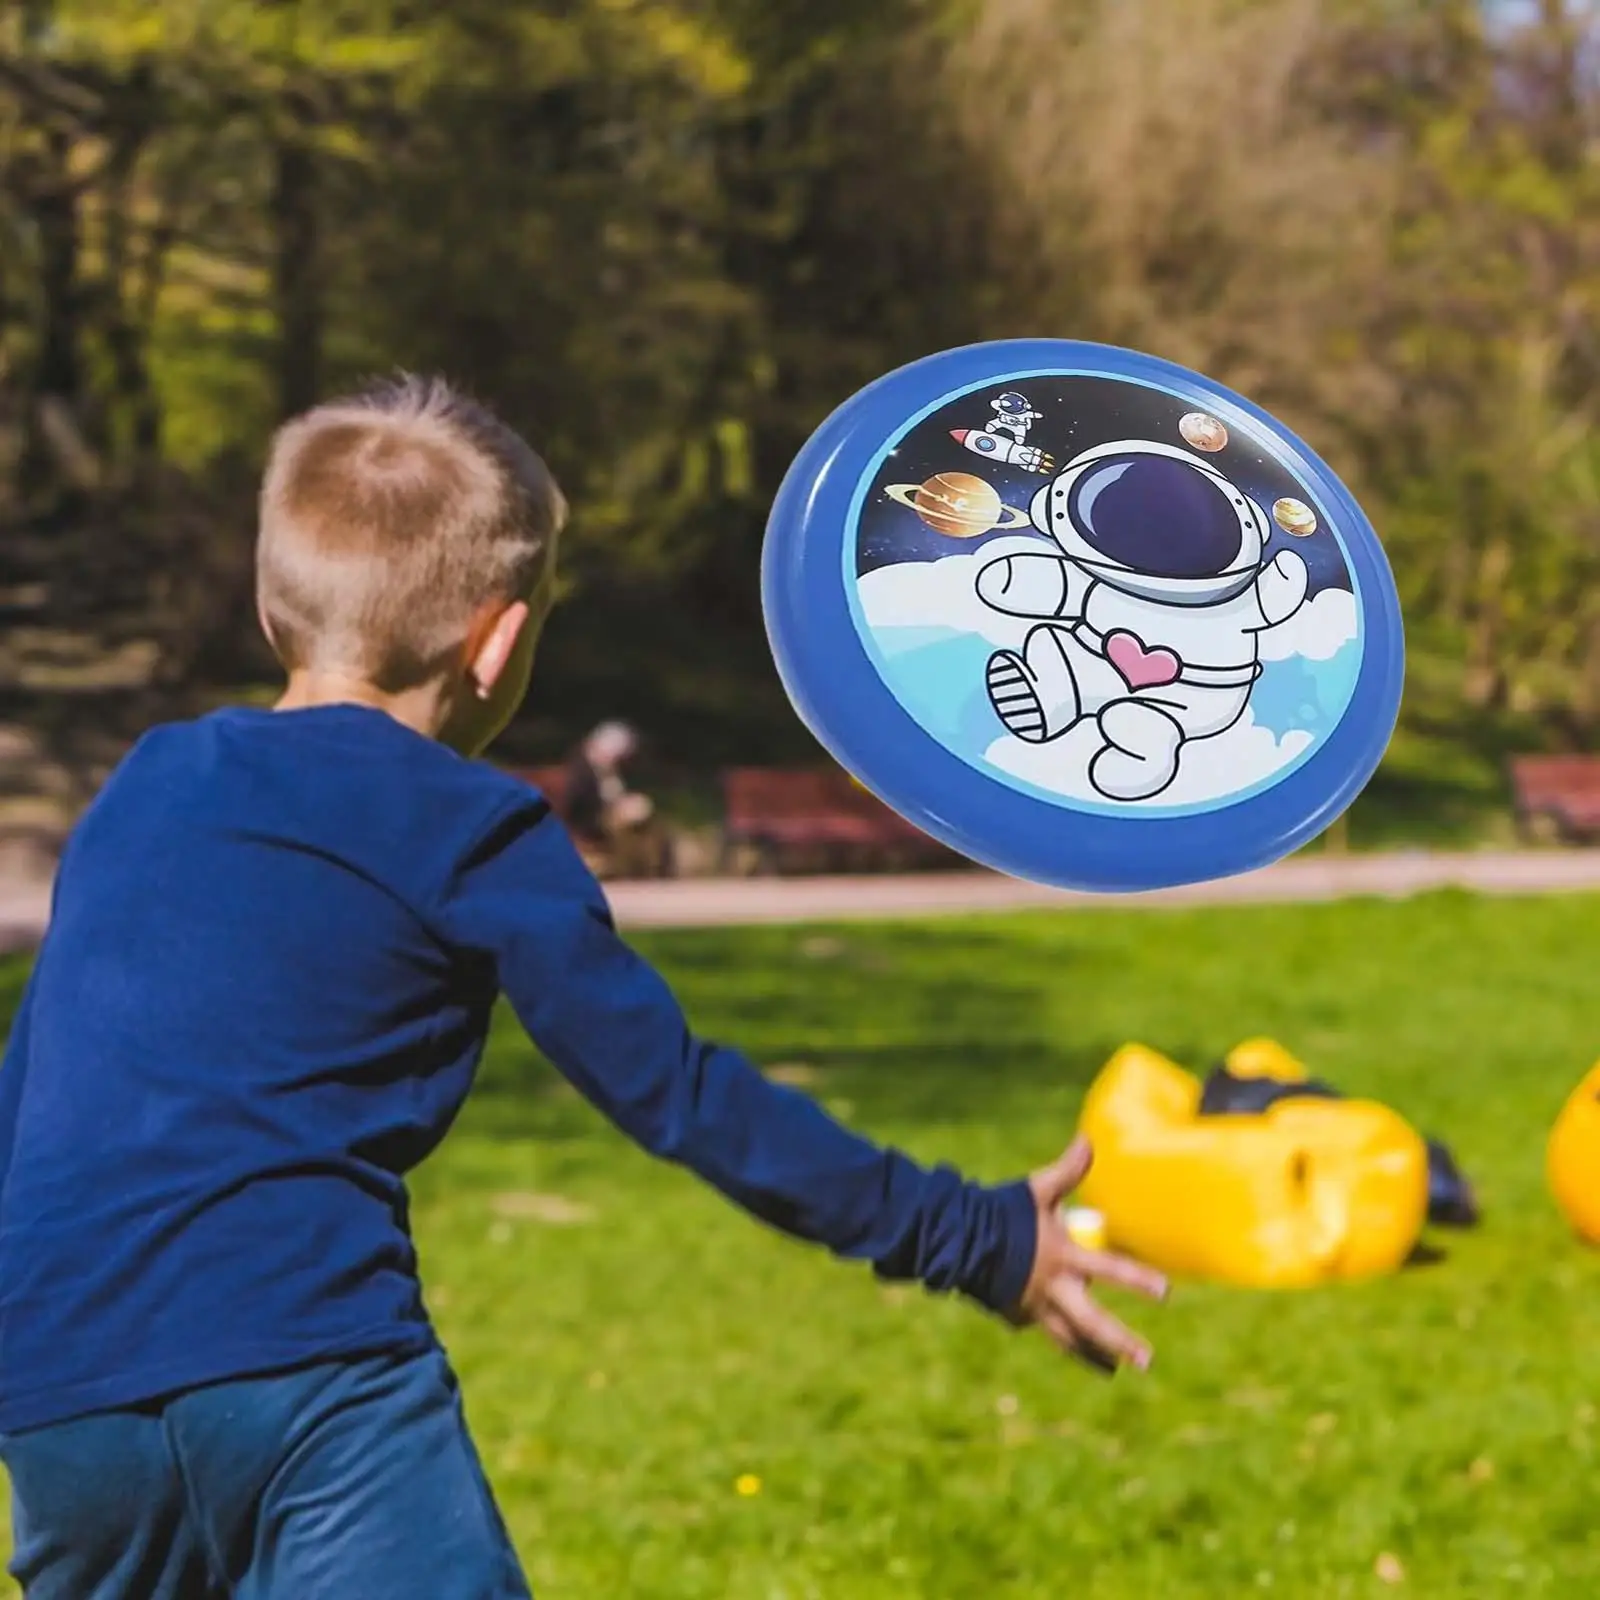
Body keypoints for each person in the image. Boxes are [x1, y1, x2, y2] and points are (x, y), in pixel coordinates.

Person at [0, 375, 1166, 1599]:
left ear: (268, 602)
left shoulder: (147, 784)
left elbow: (28, 1093)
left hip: (61, 1395)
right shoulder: (471, 824)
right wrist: (967, 1234)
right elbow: (679, 1095)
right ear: (500, 641)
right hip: (308, 1366)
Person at [560, 719, 661, 875]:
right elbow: (580, 803)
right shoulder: (582, 771)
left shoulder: (610, 769)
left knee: (642, 818)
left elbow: (615, 792)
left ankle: (642, 866)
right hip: (594, 819)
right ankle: (625, 868)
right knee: (623, 826)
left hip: (610, 813)